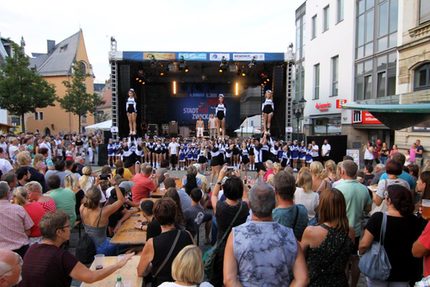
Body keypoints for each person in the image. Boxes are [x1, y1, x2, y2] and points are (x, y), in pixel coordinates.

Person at [223, 183, 308, 287]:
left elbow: (229, 279)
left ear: (249, 204)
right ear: (274, 204)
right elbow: (302, 278)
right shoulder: (289, 235)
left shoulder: (236, 235)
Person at [19, 210, 133, 287]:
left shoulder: (32, 248)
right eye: (68, 226)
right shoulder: (61, 256)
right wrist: (119, 264)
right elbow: (91, 277)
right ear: (59, 232)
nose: (70, 228)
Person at [359, 185, 425, 286]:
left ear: (389, 200)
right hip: (405, 270)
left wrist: (360, 252)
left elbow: (364, 244)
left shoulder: (378, 218)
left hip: (379, 268)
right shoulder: (415, 221)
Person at [300, 188, 354, 286]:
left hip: (316, 282)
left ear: (323, 206)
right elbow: (346, 261)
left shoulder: (311, 232)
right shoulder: (350, 232)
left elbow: (300, 260)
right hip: (340, 282)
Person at [137, 198, 194, 286]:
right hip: (184, 283)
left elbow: (141, 272)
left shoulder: (152, 243)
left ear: (155, 217)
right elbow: (195, 260)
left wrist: (152, 266)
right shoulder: (187, 235)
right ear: (175, 215)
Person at [334, 160, 372, 287]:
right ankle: (353, 285)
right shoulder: (364, 189)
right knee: (355, 259)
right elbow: (368, 209)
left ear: (342, 171)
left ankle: (343, 283)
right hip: (356, 229)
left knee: (342, 260)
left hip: (340, 228)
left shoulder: (337, 186)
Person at [210, 168, 249, 287]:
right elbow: (246, 197)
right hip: (239, 246)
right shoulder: (244, 207)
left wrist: (220, 177)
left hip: (222, 246)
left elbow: (214, 195)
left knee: (220, 276)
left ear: (225, 192)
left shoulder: (220, 207)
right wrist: (240, 179)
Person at [80, 180, 126, 255]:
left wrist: (95, 185)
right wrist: (115, 184)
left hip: (88, 246)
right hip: (102, 248)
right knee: (127, 244)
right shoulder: (103, 212)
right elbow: (121, 200)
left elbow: (89, 195)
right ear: (99, 199)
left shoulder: (82, 207)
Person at [272, 170, 308, 241]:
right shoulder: (302, 210)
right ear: (294, 189)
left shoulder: (274, 215)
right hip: (297, 250)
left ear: (276, 191)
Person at [0, 181, 33, 258]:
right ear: (7, 193)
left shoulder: (19, 209)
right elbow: (28, 230)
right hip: (21, 250)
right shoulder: (19, 209)